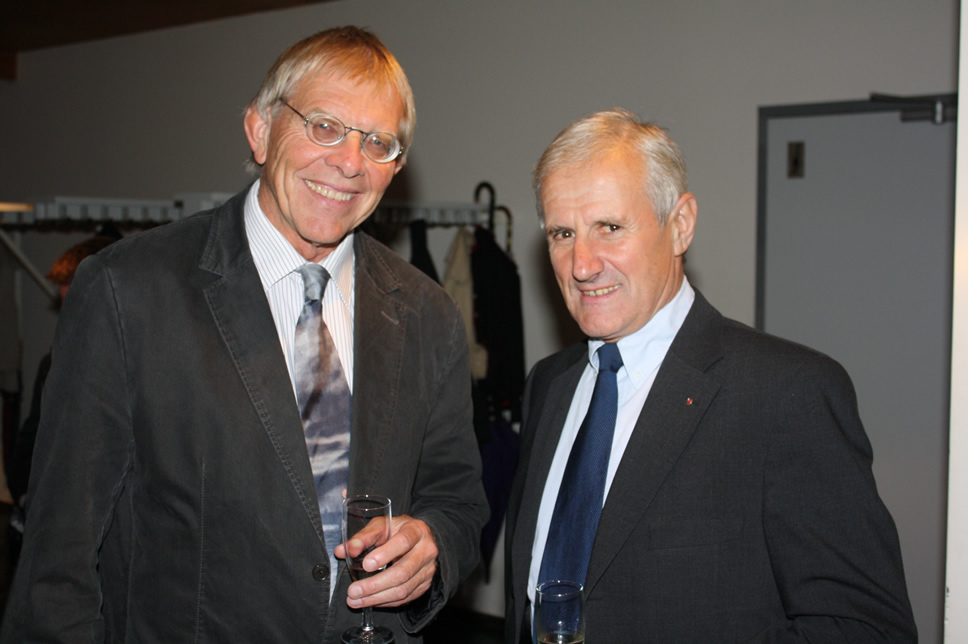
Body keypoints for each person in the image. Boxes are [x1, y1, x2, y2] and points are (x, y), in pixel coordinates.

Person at [2, 26, 488, 642]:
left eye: (378, 142)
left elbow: (458, 499)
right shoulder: (130, 290)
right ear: (259, 130)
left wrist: (433, 542)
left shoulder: (427, 312)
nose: (350, 162)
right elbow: (59, 561)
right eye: (324, 126)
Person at [504, 108, 916, 642]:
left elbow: (867, 630)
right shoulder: (549, 385)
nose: (582, 264)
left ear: (680, 225)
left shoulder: (786, 394)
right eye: (563, 233)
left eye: (610, 227)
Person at [6, 233, 119, 566]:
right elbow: (30, 441)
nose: (70, 315)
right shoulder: (54, 362)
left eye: (77, 303)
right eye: (64, 304)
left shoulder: (144, 367)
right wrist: (29, 500)